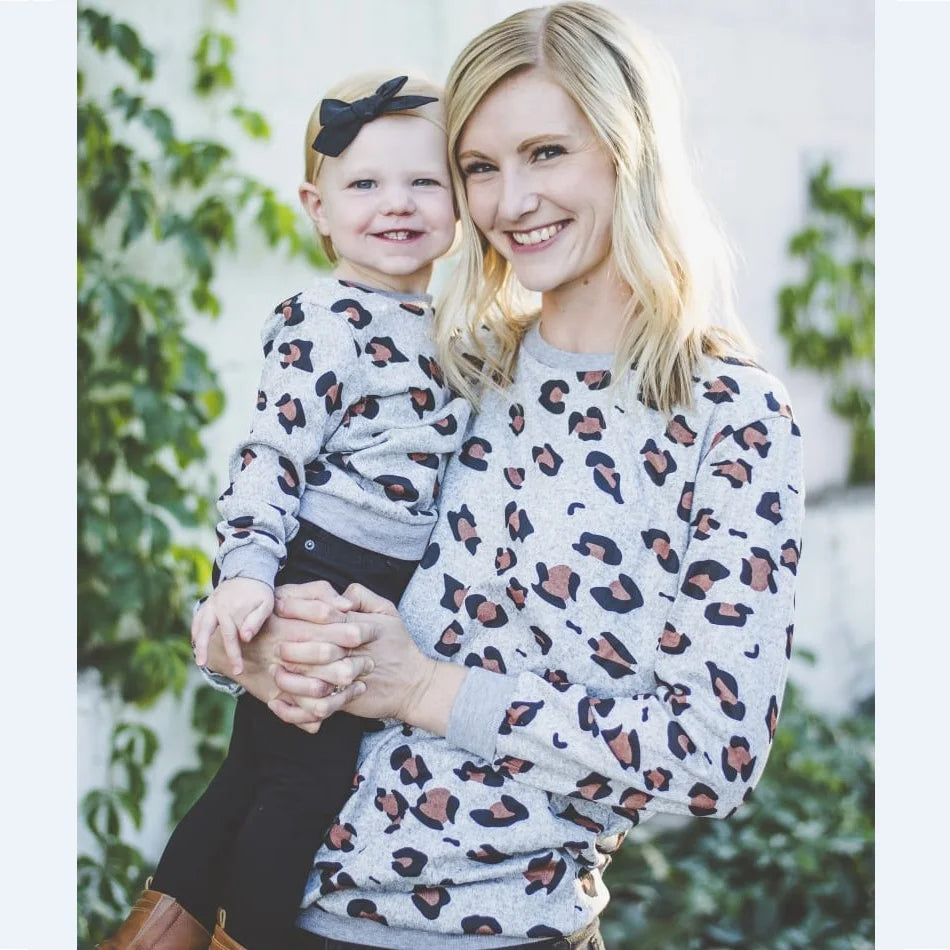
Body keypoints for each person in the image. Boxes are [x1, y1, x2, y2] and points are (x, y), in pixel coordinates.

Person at [202, 3, 805, 948]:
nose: (510, 201)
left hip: (502, 930)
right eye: (479, 167)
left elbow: (713, 756)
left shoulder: (727, 419)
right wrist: (256, 644)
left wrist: (420, 689)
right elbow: (282, 529)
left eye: (547, 153)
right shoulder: (453, 366)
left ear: (629, 147)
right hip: (281, 905)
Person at [97, 72, 469, 950]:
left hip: (375, 577)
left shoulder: (447, 319)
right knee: (301, 783)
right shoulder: (322, 318)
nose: (397, 205)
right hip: (324, 572)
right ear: (318, 205)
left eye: (425, 182)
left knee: (251, 770)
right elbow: (270, 457)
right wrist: (247, 576)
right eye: (365, 184)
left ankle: (158, 933)